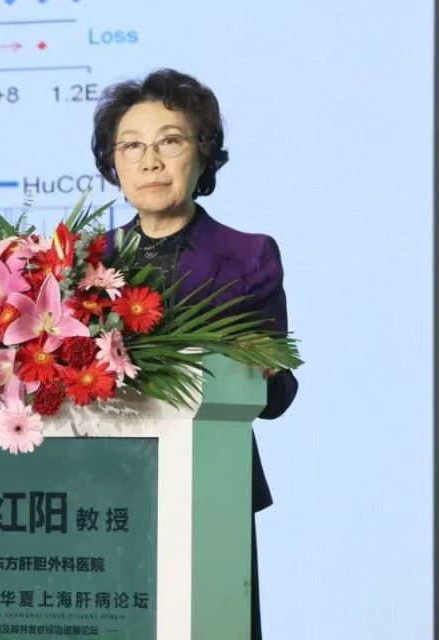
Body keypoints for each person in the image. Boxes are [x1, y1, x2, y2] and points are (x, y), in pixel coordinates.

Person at [92, 68, 299, 639]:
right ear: (114, 165)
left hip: (210, 490)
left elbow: (277, 396)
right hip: (96, 487)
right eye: (131, 146)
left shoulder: (247, 256)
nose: (150, 161)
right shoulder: (84, 260)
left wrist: (260, 368)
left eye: (170, 141)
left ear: (202, 154)